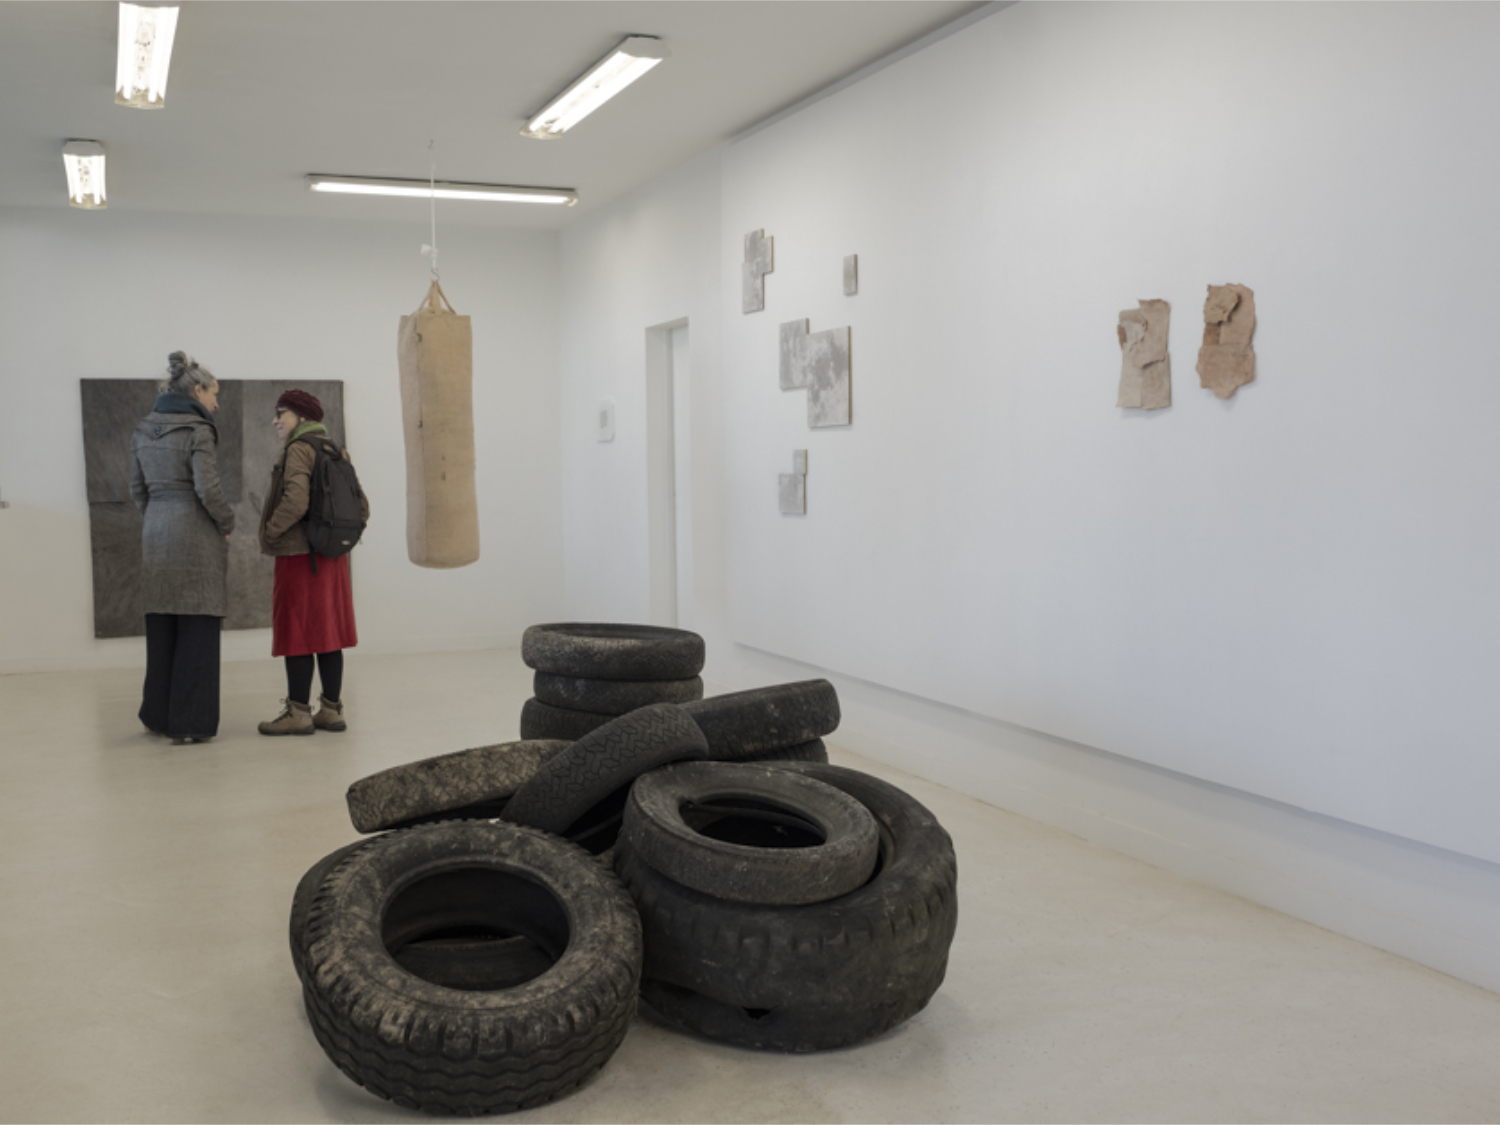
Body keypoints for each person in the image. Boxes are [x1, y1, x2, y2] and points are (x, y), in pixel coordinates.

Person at [130, 351, 235, 745]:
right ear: (196, 390)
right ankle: (189, 723)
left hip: (156, 532)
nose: (216, 403)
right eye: (214, 394)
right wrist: (226, 522)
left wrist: (158, 518)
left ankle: (157, 716)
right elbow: (208, 489)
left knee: (162, 625)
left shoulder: (143, 429)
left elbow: (137, 489)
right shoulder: (198, 430)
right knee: (198, 625)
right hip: (195, 532)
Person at [257, 388, 366, 735]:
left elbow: (295, 501)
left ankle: (298, 713)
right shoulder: (336, 450)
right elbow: (362, 506)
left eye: (282, 413)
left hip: (298, 556)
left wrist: (270, 532)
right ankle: (331, 711)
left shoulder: (298, 449)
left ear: (301, 417)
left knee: (297, 632)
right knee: (329, 632)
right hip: (332, 558)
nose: (275, 420)